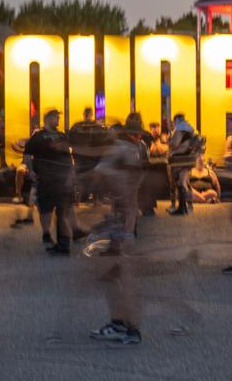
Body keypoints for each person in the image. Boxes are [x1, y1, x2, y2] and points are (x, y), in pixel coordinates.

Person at [88, 112, 148, 345]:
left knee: (121, 275)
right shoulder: (135, 151)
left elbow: (100, 175)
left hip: (121, 220)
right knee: (115, 274)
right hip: (124, 218)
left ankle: (128, 328)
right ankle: (120, 323)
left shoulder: (120, 150)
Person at [23, 109, 75, 255]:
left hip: (62, 178)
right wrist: (31, 170)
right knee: (45, 208)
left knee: (61, 210)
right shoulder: (38, 136)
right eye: (56, 117)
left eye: (59, 117)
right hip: (45, 178)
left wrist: (71, 172)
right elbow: (27, 153)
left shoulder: (62, 136)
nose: (58, 120)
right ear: (48, 118)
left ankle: (63, 243)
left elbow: (68, 156)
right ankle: (47, 233)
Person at [167, 113, 197, 215]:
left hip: (179, 158)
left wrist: (169, 141)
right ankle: (187, 206)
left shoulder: (180, 128)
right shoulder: (190, 128)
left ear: (176, 120)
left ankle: (181, 208)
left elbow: (174, 144)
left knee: (179, 183)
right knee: (185, 183)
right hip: (188, 158)